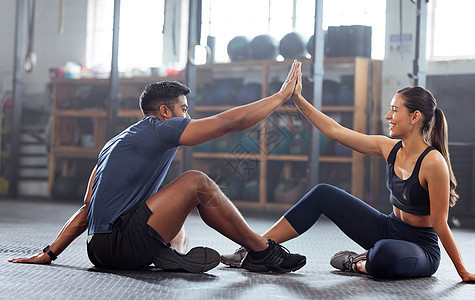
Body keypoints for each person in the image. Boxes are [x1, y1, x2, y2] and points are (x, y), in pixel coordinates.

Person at [8, 60, 306, 274]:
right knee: (196, 182)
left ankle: (171, 255)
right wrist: (281, 97)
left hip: (98, 250)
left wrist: (50, 253)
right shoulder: (158, 128)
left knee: (180, 230)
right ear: (165, 112)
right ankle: (262, 252)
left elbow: (88, 207)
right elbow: (230, 123)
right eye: (184, 109)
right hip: (121, 245)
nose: (187, 117)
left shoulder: (114, 143)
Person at [221, 67, 475, 284]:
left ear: (415, 117)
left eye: (395, 110)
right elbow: (336, 132)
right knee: (323, 193)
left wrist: (463, 272)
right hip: (389, 228)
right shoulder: (389, 147)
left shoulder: (434, 163)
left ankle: (357, 262)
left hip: (420, 249)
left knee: (384, 255)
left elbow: (440, 224)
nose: (388, 115)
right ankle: (255, 248)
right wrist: (298, 99)